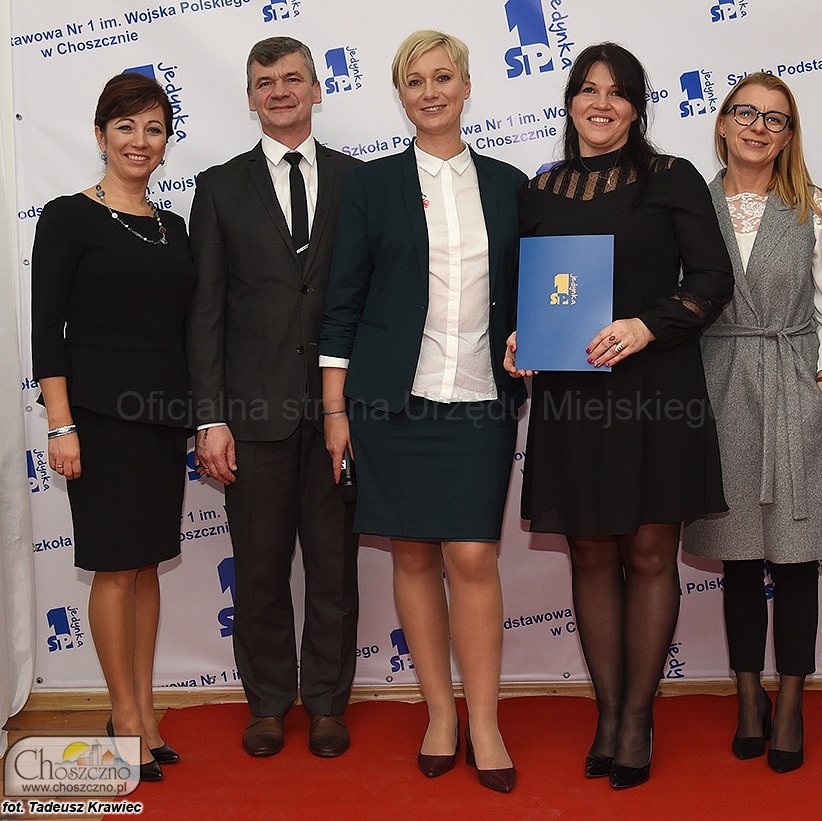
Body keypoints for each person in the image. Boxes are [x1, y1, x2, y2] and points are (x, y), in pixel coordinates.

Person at [505, 42, 734, 789]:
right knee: (591, 553)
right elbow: (531, 288)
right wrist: (520, 335)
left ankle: (638, 718)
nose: (601, 104)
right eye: (588, 90)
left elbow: (712, 279)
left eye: (618, 92)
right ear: (570, 101)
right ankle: (607, 713)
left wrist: (646, 325)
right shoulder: (541, 188)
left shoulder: (671, 177)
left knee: (650, 554)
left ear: (637, 107)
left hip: (654, 386)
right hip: (574, 396)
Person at [319, 30, 526, 793]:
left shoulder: (510, 185)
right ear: (401, 94)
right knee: (410, 554)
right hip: (390, 401)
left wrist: (531, 337)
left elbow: (532, 291)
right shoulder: (371, 186)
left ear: (468, 86)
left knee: (471, 555)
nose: (431, 91)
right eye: (415, 80)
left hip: (479, 398)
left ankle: (486, 721)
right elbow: (342, 303)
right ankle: (440, 712)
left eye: (443, 77)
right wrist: (335, 407)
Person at [186, 37, 361, 758]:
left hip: (339, 414)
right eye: (266, 81)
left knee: (334, 566)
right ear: (252, 97)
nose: (280, 90)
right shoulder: (219, 187)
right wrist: (210, 416)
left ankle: (325, 703)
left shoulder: (361, 181)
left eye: (293, 78)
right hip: (251, 415)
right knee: (258, 569)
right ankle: (267, 703)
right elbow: (205, 311)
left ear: (317, 90)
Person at [31, 72, 194, 781]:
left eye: (153, 128)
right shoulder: (68, 217)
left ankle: (146, 710)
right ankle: (123, 714)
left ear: (166, 142)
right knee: (115, 568)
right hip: (98, 421)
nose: (139, 140)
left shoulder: (174, 227)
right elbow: (47, 330)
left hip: (162, 418)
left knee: (147, 563)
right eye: (125, 127)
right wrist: (60, 425)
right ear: (101, 135)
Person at [681, 72, 822, 774]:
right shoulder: (693, 205)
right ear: (721, 123)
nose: (757, 127)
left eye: (775, 118)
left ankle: (794, 701)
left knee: (796, 555)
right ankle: (749, 695)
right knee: (739, 553)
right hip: (718, 388)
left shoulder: (814, 205)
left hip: (793, 382)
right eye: (745, 112)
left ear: (788, 135)